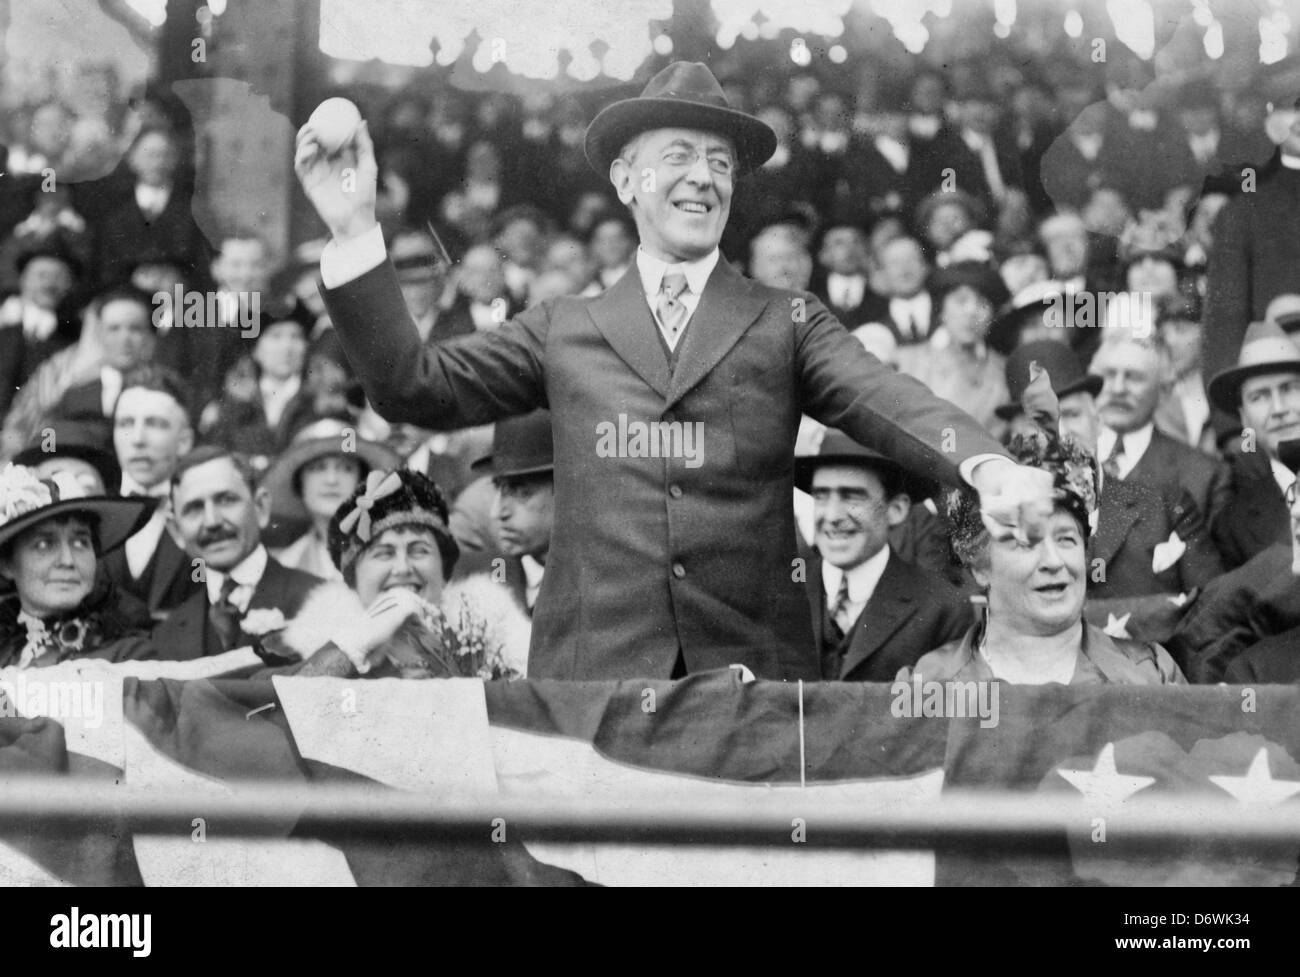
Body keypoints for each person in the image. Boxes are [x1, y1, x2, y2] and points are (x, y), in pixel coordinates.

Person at [296, 60, 1056, 681]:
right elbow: (409, 385)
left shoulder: (785, 319)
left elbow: (880, 394)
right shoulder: (565, 327)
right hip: (591, 689)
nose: (704, 177)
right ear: (627, 181)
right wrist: (357, 232)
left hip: (751, 686)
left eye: (720, 163)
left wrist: (985, 466)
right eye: (679, 157)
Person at [900, 374, 1186, 685]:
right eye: (1027, 543)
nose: (1054, 561)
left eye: (1066, 539)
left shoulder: (1150, 675)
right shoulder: (929, 686)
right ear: (980, 566)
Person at [272, 468, 529, 679]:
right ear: (353, 577)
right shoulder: (314, 638)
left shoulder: (491, 630)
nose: (403, 568)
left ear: (444, 569)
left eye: (419, 551)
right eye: (384, 553)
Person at [797, 429, 971, 681]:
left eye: (852, 497)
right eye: (821, 497)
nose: (832, 516)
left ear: (896, 510)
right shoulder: (784, 595)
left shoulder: (943, 610)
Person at [152, 447, 322, 659]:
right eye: (194, 508)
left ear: (261, 507)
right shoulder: (166, 636)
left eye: (226, 499)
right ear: (176, 530)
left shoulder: (323, 601)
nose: (212, 521)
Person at [0, 463, 155, 667]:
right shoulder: (5, 650)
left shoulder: (128, 657)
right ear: (6, 566)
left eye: (81, 542)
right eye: (44, 544)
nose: (68, 560)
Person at [101, 366, 200, 617]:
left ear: (184, 441)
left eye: (155, 424)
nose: (137, 439)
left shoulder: (203, 514)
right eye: (126, 423)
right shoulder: (92, 512)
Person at [1208, 319, 1300, 569]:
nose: (1279, 409)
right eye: (1259, 397)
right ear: (1244, 417)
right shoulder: (1232, 526)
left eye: (1290, 389)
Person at [263, 416, 400, 581]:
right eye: (318, 468)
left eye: (346, 468)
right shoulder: (286, 566)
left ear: (362, 483)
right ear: (300, 484)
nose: (332, 480)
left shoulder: (394, 551)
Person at [452, 410, 554, 616]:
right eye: (498, 488)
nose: (497, 512)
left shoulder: (606, 580)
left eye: (521, 492)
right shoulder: (473, 576)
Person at [900, 260, 1010, 438]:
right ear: (942, 310)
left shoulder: (1003, 369)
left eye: (982, 304)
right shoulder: (908, 361)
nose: (971, 311)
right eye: (961, 300)